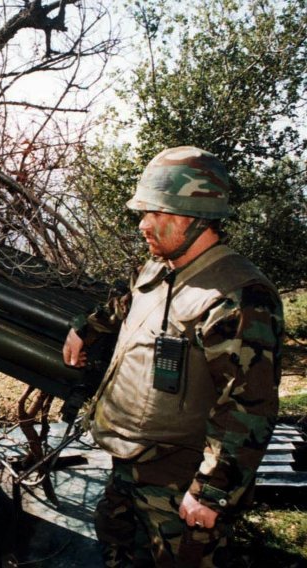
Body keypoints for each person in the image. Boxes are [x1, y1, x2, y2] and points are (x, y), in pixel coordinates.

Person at [62, 146, 283, 567]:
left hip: (181, 479)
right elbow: (129, 305)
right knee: (118, 546)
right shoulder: (159, 266)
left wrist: (210, 492)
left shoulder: (237, 296)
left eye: (155, 213)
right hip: (131, 464)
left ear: (193, 217)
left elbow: (248, 405)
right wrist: (84, 328)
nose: (143, 224)